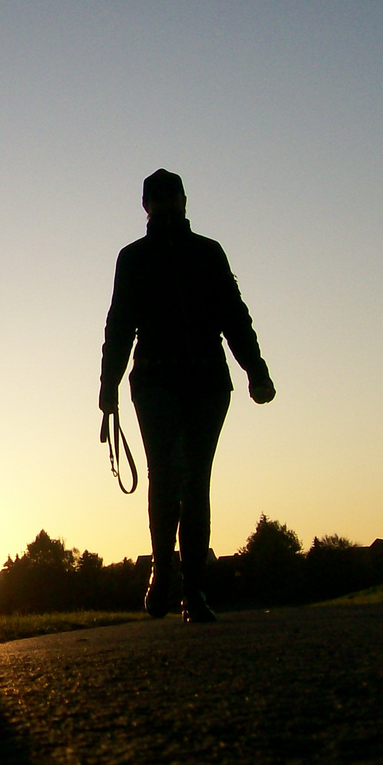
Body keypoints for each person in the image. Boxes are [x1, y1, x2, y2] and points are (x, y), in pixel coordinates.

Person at [100, 169, 275, 622]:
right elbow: (119, 325)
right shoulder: (132, 258)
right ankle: (164, 573)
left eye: (169, 196)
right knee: (167, 474)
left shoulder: (208, 253)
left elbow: (234, 315)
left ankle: (192, 588)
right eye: (156, 197)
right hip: (155, 379)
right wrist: (108, 386)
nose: (163, 203)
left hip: (206, 380)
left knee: (196, 479)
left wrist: (256, 369)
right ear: (147, 205)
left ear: (182, 199)